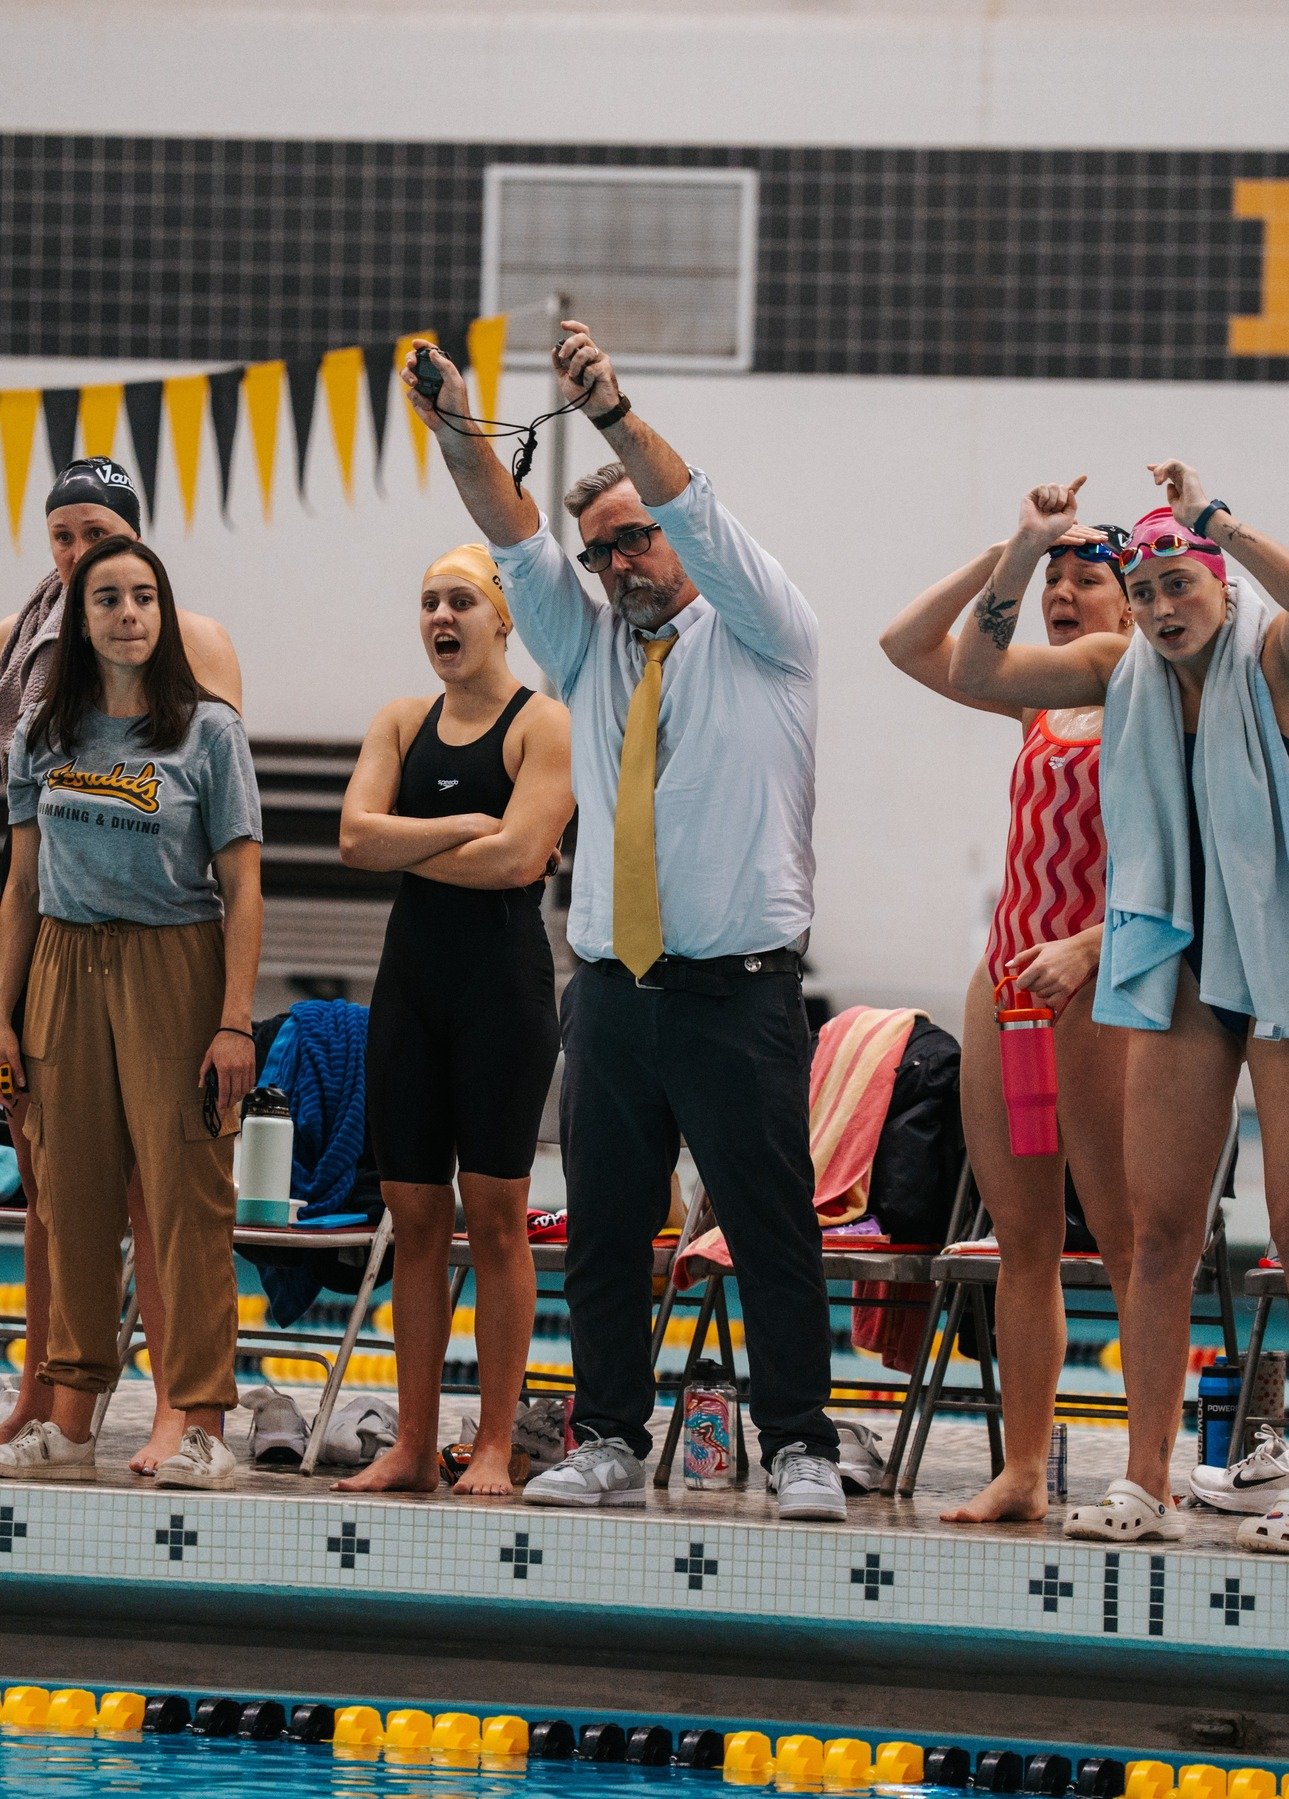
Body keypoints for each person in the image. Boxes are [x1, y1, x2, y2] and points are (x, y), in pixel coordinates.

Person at [402, 322, 846, 1521]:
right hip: (609, 989)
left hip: (737, 989)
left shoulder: (766, 636)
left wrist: (607, 411)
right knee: (602, 1223)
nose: (617, 566)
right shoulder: (590, 651)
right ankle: (604, 1429)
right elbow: (507, 527)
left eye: (632, 540)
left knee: (766, 1223)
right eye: (599, 554)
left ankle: (799, 1438)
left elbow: (691, 505)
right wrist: (452, 420)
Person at [952, 467, 1289, 1555]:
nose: (1167, 605)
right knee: (1158, 1235)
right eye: (1151, 589)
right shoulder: (1128, 678)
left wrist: (1220, 520)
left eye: (1183, 581)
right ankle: (1144, 1475)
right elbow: (975, 662)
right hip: (1184, 965)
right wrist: (1021, 545)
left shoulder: (1278, 663)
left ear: (1218, 587)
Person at [881, 518, 1134, 1523]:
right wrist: (1009, 553)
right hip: (1007, 987)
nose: (1061, 594)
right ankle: (1022, 1468)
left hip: (1100, 989)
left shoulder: (1145, 705)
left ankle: (1143, 1464)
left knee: (1126, 1238)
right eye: (1053, 582)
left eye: (1084, 579)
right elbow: (904, 644)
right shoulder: (1036, 704)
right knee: (1021, 1237)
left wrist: (1096, 947)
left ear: (1128, 603)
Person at [0, 536, 262, 1490]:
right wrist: (2, 1013)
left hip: (173, 961)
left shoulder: (208, 734)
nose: (126, 613)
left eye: (143, 597)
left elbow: (243, 882)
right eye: (107, 598)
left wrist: (235, 1020)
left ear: (163, 613)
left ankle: (201, 1421)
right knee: (66, 1194)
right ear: (81, 619)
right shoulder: (41, 735)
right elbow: (22, 885)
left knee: (186, 1198)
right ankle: (71, 1420)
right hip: (65, 963)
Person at [336, 543, 572, 1497]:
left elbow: (520, 861)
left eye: (462, 601)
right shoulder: (400, 720)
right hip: (411, 993)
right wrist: (459, 830)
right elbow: (355, 837)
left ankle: (490, 1445)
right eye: (430, 601)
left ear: (501, 618)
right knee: (414, 1217)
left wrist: (417, 842)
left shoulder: (541, 724)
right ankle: (411, 1443)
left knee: (498, 1220)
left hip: (503, 998)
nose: (443, 617)